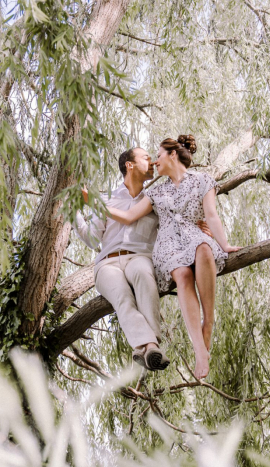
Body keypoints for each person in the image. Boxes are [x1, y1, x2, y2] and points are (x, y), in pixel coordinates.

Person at [102, 135, 241, 379]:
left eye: (158, 155)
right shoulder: (155, 193)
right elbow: (128, 217)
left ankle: (208, 321)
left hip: (195, 235)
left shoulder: (202, 181)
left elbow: (211, 215)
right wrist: (95, 203)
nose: (155, 161)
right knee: (183, 274)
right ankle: (199, 351)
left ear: (172, 155)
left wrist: (225, 243)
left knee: (204, 248)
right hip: (168, 246)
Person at [74, 147, 214, 371]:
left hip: (139, 257)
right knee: (121, 296)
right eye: (146, 158)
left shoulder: (155, 201)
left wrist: (198, 225)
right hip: (107, 263)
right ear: (129, 165)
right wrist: (74, 211)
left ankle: (146, 346)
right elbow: (92, 239)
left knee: (143, 275)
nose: (152, 162)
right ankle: (151, 345)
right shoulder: (106, 199)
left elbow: (176, 222)